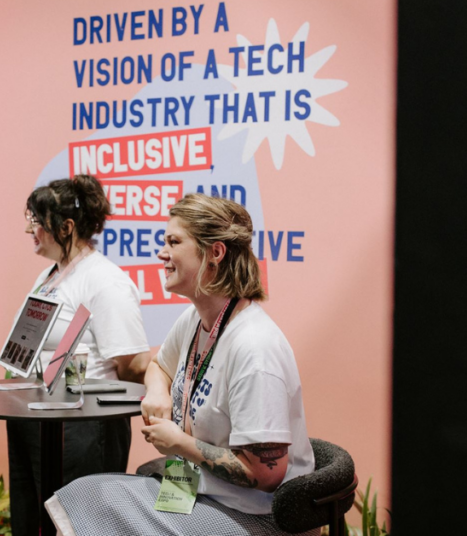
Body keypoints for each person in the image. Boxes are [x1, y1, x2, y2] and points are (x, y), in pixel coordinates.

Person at [46, 194, 316, 536]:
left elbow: (265, 475)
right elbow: (159, 364)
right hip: (201, 490)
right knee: (88, 494)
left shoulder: (255, 347)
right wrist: (158, 392)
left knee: (90, 501)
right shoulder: (195, 319)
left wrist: (180, 443)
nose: (162, 253)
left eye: (174, 242)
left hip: (256, 516)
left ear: (214, 253)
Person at [8, 174, 151, 536]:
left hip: (85, 428)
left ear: (66, 226)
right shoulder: (50, 275)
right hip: (40, 417)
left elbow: (132, 365)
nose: (30, 230)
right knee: (36, 517)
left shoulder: (105, 280)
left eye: (37, 222)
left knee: (81, 523)